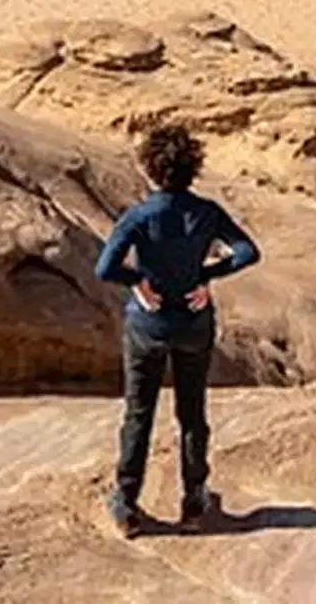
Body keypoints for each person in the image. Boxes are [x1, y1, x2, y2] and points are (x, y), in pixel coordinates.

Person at [95, 124, 260, 537]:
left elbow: (105, 268)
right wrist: (207, 276)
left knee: (138, 413)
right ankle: (194, 500)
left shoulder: (139, 215)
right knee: (192, 413)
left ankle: (128, 504)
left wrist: (136, 281)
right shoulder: (206, 212)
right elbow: (247, 252)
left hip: (147, 323)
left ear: (151, 170)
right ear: (193, 168)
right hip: (192, 321)